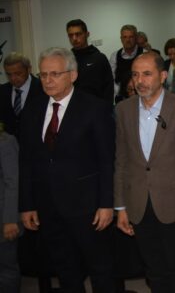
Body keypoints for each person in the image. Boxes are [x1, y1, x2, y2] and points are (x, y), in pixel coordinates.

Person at [19, 47, 115, 292]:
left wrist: (106, 204)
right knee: (65, 270)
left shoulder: (95, 108)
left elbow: (107, 161)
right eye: (43, 75)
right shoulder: (32, 109)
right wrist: (27, 204)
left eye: (55, 74)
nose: (48, 80)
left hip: (88, 207)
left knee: (101, 269)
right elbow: (27, 161)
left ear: (73, 75)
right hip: (48, 207)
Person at [114, 53, 175, 292]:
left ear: (163, 76)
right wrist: (120, 207)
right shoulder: (123, 110)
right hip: (138, 204)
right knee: (154, 271)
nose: (139, 81)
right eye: (135, 75)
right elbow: (121, 161)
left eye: (146, 74)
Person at [66, 19, 114, 103]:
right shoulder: (66, 59)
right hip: (72, 106)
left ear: (87, 34)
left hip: (96, 106)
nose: (74, 38)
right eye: (71, 35)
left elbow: (108, 87)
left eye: (78, 34)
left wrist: (106, 108)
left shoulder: (99, 58)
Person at [0, 52, 43, 138]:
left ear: (29, 69)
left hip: (36, 143)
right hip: (9, 144)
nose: (13, 78)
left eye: (18, 73)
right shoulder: (2, 91)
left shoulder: (43, 89)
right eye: (9, 74)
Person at [0, 125, 20, 292]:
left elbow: (13, 182)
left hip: (4, 220)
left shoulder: (5, 141)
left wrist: (10, 220)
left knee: (6, 270)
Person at [110, 24, 144, 102]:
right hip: (122, 98)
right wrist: (119, 93)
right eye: (125, 37)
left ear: (136, 38)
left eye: (131, 37)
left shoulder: (144, 54)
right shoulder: (114, 56)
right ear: (121, 39)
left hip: (142, 96)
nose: (128, 40)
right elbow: (112, 78)